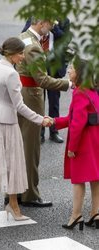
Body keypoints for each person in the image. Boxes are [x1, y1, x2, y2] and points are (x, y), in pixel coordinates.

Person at [0, 37, 52, 220]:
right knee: (13, 164)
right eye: (20, 53)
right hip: (7, 124)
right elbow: (19, 106)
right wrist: (40, 119)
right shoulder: (12, 74)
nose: (22, 57)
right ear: (11, 54)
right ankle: (13, 207)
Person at [16, 18, 71, 207]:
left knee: (19, 146)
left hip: (21, 95)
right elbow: (43, 80)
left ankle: (14, 192)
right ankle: (30, 194)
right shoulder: (34, 46)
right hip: (31, 96)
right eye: (50, 24)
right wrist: (69, 84)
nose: (52, 28)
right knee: (31, 149)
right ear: (41, 24)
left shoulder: (23, 38)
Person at [52, 57, 99, 230]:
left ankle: (76, 215)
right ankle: (95, 212)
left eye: (71, 68)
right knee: (95, 178)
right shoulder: (93, 90)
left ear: (78, 73)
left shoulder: (79, 93)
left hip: (83, 143)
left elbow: (77, 124)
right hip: (95, 139)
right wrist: (54, 121)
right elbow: (75, 118)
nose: (68, 71)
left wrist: (72, 147)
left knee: (78, 180)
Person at [22, 18, 71, 144]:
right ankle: (40, 131)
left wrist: (54, 27)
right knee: (39, 100)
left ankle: (54, 131)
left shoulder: (63, 20)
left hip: (53, 64)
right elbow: (24, 35)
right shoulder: (36, 16)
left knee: (54, 101)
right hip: (37, 63)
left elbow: (65, 41)